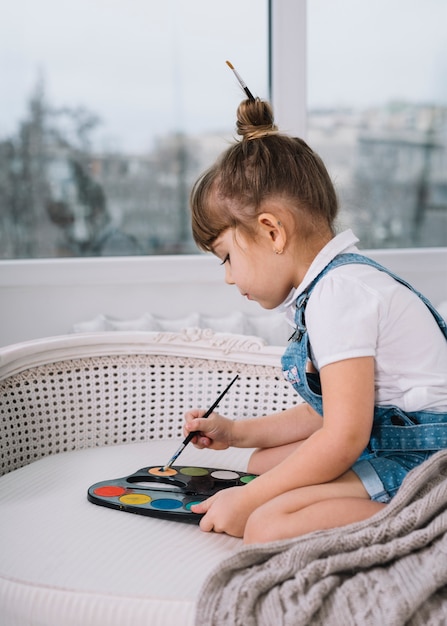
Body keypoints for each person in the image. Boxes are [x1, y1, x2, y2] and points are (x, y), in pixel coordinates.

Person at [185, 97, 447, 544]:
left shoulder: (339, 295)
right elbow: (322, 413)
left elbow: (343, 436)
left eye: (227, 258)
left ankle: (418, 520)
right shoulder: (331, 286)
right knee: (261, 464)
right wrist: (236, 432)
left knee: (266, 524)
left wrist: (248, 503)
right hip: (391, 438)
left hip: (426, 461)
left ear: (272, 231)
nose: (229, 278)